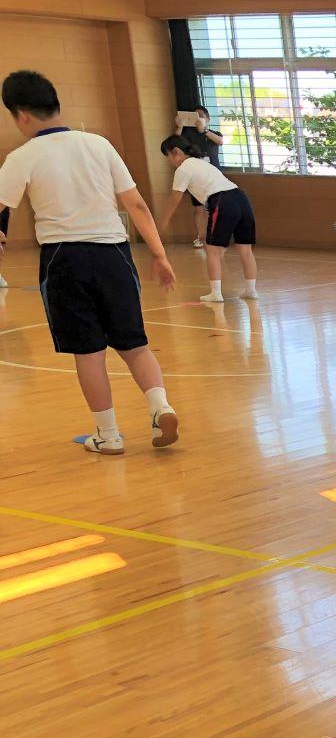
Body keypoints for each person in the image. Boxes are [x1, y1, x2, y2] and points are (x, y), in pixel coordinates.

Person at [0, 70, 178, 454]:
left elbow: (1, 207)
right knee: (135, 344)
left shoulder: (23, 156)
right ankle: (160, 406)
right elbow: (136, 204)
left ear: (21, 115)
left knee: (88, 352)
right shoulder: (99, 144)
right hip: (114, 254)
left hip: (64, 259)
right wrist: (160, 254)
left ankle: (108, 436)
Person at [157, 134, 256, 302]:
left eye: (168, 156)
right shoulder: (202, 163)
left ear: (176, 152)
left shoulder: (183, 169)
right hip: (241, 198)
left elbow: (174, 199)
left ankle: (216, 293)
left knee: (212, 251)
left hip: (222, 200)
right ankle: (251, 290)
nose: (169, 161)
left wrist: (161, 223)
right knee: (245, 250)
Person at [173, 106, 224, 248]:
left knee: (216, 207)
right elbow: (175, 143)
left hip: (214, 177)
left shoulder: (213, 133)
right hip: (196, 178)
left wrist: (204, 130)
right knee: (198, 208)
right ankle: (200, 237)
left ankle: (217, 237)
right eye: (194, 115)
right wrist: (180, 126)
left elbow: (220, 141)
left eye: (200, 116)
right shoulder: (187, 135)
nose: (197, 118)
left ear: (208, 119)